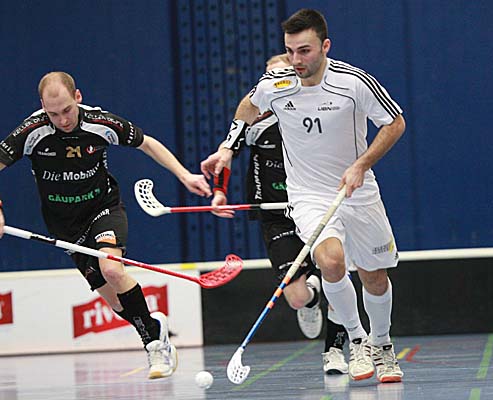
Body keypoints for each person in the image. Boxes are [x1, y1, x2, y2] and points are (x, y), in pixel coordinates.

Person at [201, 9, 405, 383]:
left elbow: (394, 123)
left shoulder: (354, 82)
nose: (296, 60)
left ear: (325, 46)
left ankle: (383, 343)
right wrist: (228, 148)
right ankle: (357, 340)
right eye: (290, 51)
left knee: (375, 277)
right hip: (309, 195)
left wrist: (361, 164)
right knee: (330, 262)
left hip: (358, 192)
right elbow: (248, 107)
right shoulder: (276, 84)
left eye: (305, 51)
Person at [0, 71, 212, 379]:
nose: (62, 120)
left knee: (111, 269)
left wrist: (184, 175)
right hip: (65, 227)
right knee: (115, 303)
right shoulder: (32, 131)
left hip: (103, 208)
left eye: (67, 110)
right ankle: (154, 327)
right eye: (53, 114)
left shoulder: (100, 123)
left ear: (78, 97)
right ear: (43, 107)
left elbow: (147, 143)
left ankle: (154, 345)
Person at [202, 53, 349, 374]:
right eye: (268, 79)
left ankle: (334, 350)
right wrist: (220, 192)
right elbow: (228, 154)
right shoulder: (254, 124)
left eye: (281, 76)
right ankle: (312, 298)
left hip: (317, 206)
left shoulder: (313, 118)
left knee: (334, 271)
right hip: (277, 215)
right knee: (296, 297)